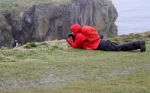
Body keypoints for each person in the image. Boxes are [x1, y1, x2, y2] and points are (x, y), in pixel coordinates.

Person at [66, 24, 146, 52]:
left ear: (75, 30)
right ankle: (139, 44)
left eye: (73, 31)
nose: (72, 32)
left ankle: (139, 44)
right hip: (102, 42)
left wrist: (69, 40)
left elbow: (76, 45)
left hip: (101, 45)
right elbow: (82, 44)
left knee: (119, 48)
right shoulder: (83, 32)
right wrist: (73, 37)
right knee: (120, 46)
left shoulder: (80, 35)